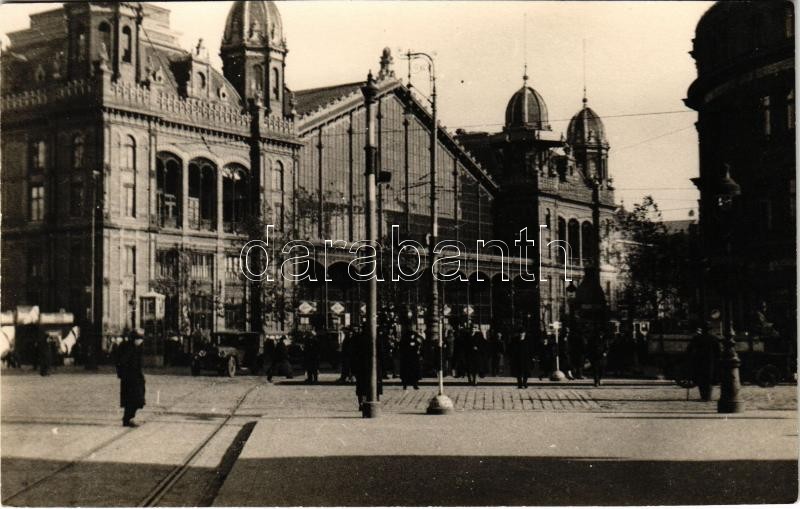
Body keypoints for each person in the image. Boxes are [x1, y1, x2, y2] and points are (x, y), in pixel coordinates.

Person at [116, 328, 146, 427]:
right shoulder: (128, 348)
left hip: (134, 378)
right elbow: (123, 362)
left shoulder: (136, 348)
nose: (140, 341)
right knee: (133, 399)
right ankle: (128, 419)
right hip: (130, 378)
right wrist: (123, 374)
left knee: (136, 399)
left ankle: (128, 418)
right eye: (139, 339)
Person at [351, 325, 383, 412]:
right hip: (374, 365)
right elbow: (381, 352)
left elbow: (353, 354)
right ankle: (375, 400)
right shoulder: (376, 338)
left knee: (362, 385)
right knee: (375, 384)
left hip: (361, 365)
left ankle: (362, 402)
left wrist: (353, 369)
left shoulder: (358, 338)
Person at [687, 323, 720, 401]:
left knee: (701, 379)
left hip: (699, 360)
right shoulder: (713, 338)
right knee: (709, 378)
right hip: (710, 361)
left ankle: (703, 396)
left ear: (702, 330)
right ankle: (708, 396)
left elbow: (689, 349)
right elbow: (718, 351)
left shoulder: (697, 338)